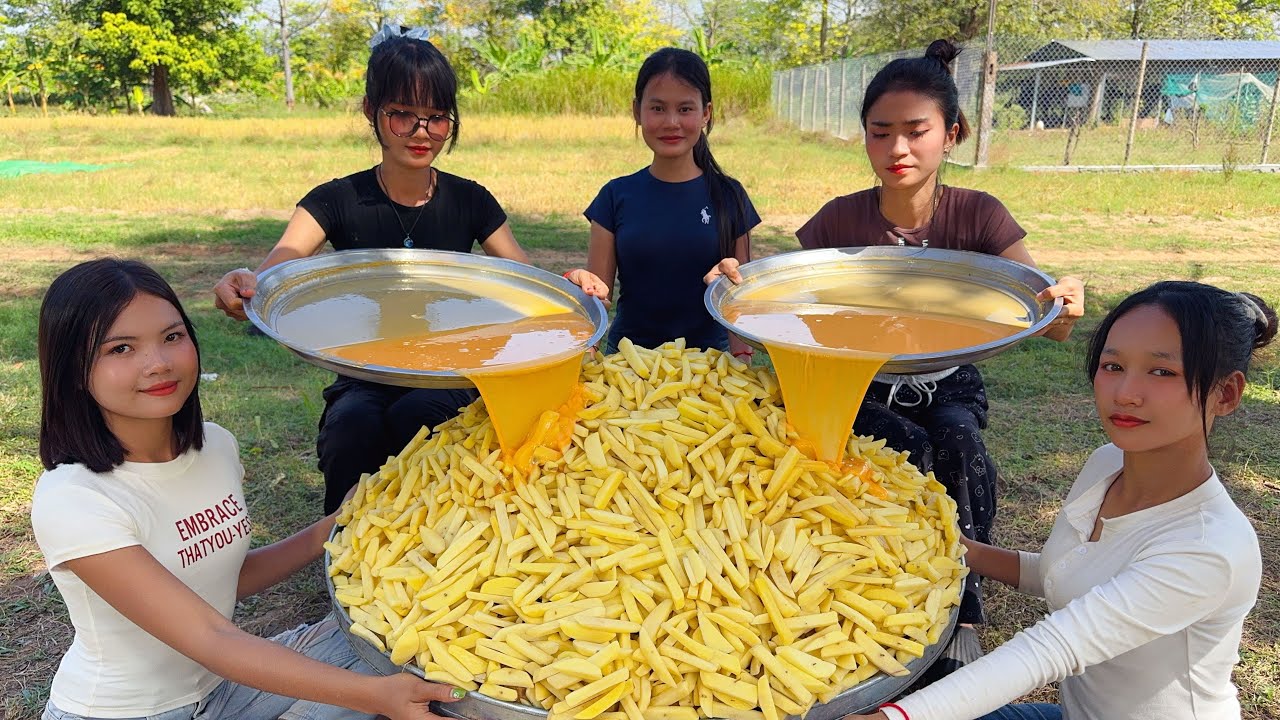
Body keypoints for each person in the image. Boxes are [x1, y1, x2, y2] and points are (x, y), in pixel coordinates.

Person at [716, 39, 1084, 659]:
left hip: (947, 377)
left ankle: (960, 612)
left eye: (916, 131)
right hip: (854, 380)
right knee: (902, 451)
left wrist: (1065, 301)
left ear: (952, 133)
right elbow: (792, 299)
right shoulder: (838, 221)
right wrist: (739, 284)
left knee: (959, 446)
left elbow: (1047, 318)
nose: (898, 150)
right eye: (880, 133)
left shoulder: (980, 216)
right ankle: (882, 594)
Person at [31, 258, 465, 720]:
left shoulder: (215, 446)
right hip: (129, 711)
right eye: (121, 349)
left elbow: (219, 578)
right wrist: (375, 698)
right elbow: (211, 638)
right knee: (379, 684)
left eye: (172, 337)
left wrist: (341, 522)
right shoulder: (74, 498)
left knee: (410, 649)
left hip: (225, 688)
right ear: (73, 369)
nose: (157, 364)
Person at [212, 25, 600, 513]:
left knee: (420, 417)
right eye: (403, 115)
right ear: (371, 112)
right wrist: (246, 281)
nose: (422, 133)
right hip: (363, 366)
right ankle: (342, 553)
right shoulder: (336, 198)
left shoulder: (471, 200)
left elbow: (523, 280)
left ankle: (427, 553)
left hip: (452, 368)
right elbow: (281, 263)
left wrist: (569, 285)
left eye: (437, 118)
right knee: (351, 428)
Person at [846, 280, 1272, 720]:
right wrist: (951, 548)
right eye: (1112, 366)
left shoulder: (1207, 548)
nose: (1125, 392)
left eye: (1162, 372)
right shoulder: (1108, 464)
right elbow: (1069, 574)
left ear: (1225, 394)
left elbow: (1054, 647)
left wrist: (894, 718)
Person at [563, 47, 761, 358]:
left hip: (710, 366)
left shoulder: (730, 196)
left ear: (706, 113)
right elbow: (596, 299)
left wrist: (742, 361)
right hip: (628, 364)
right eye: (657, 108)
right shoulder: (615, 196)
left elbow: (741, 299)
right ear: (637, 111)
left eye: (685, 109)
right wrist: (588, 359)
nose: (671, 122)